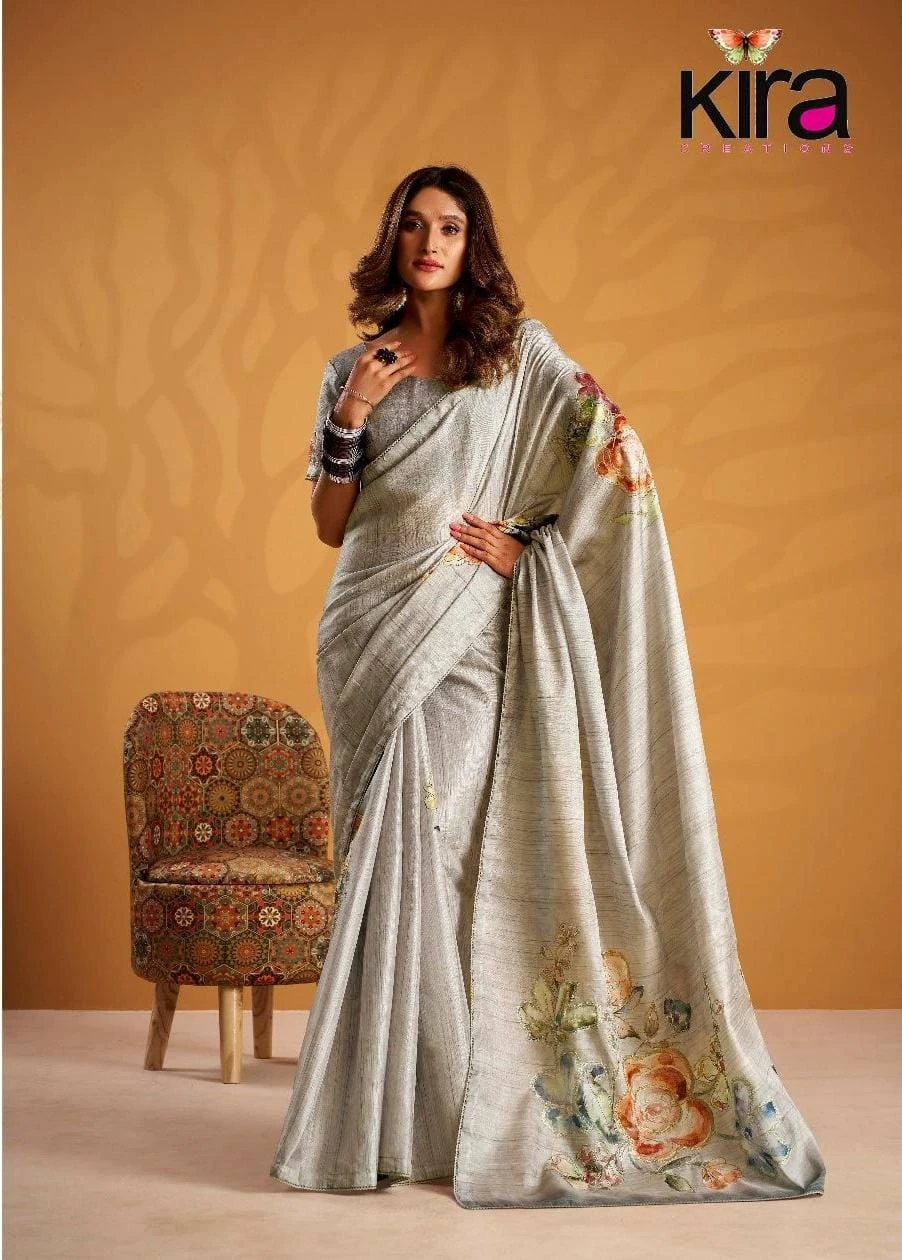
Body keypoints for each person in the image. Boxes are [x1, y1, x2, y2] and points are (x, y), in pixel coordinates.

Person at [270, 165, 827, 1209]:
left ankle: (449, 1109)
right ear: (391, 241)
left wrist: (527, 546)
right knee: (380, 863)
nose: (429, 243)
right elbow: (330, 525)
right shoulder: (355, 366)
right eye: (413, 226)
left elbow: (615, 452)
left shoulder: (517, 357)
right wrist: (352, 410)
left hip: (467, 636)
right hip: (365, 634)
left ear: (471, 243)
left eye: (449, 227)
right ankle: (385, 1117)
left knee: (443, 856)